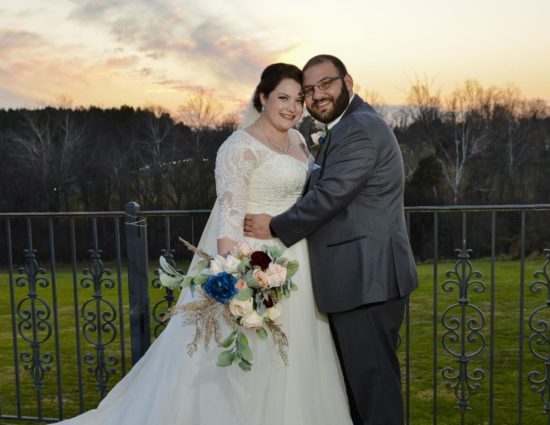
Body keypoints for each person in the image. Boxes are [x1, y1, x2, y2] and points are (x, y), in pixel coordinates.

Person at [55, 63, 352, 425]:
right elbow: (228, 221)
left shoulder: (299, 140)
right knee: (251, 366)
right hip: (256, 261)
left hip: (298, 264)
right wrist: (238, 282)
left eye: (299, 99)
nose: (293, 107)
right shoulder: (238, 147)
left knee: (299, 360)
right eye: (283, 98)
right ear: (263, 98)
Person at [244, 55, 419, 425]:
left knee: (375, 396)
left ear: (348, 81)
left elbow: (330, 196)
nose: (317, 95)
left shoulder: (359, 128)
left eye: (326, 84)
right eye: (309, 90)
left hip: (367, 280)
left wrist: (274, 226)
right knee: (362, 392)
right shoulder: (348, 125)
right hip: (358, 279)